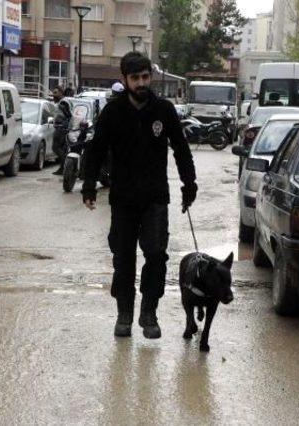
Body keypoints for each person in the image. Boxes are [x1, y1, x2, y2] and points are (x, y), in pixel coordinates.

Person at [81, 52, 197, 339]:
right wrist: (88, 185)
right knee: (123, 258)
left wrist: (189, 183)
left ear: (151, 77)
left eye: (145, 77)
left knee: (156, 256)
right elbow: (95, 150)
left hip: (155, 197)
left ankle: (149, 312)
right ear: (125, 79)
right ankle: (124, 314)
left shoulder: (164, 110)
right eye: (135, 78)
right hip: (123, 199)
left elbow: (181, 149)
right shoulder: (112, 112)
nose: (141, 83)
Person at [52, 86, 72, 175]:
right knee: (62, 149)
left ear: (60, 92)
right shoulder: (63, 101)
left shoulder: (63, 102)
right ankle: (62, 168)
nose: (53, 95)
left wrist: (64, 125)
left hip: (61, 128)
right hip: (62, 128)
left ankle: (64, 166)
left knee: (56, 147)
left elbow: (68, 115)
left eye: (55, 93)